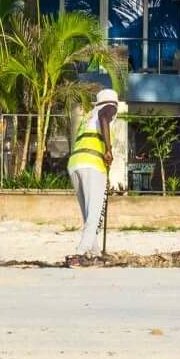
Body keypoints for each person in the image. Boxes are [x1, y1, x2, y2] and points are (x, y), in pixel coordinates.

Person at [67, 90, 121, 264]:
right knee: (95, 214)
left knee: (89, 214)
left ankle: (95, 252)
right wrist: (108, 149)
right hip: (92, 164)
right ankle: (80, 253)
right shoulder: (109, 108)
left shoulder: (89, 115)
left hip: (75, 163)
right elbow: (105, 118)